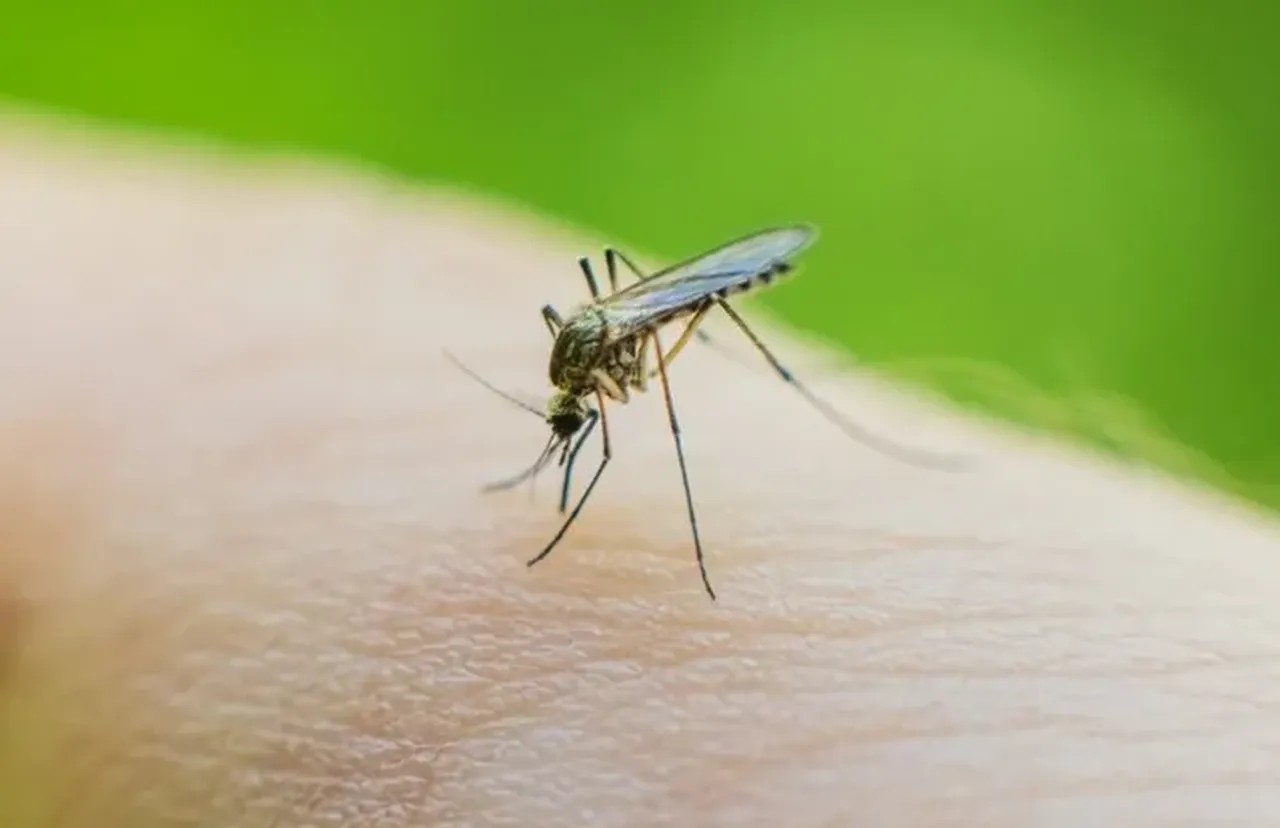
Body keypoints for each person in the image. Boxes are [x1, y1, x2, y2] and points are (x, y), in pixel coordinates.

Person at [2, 116, 1278, 827]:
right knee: (619, 342)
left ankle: (814, 412)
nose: (568, 427)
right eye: (560, 428)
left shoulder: (600, 361)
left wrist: (636, 355)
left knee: (660, 395)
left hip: (680, 292)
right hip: (628, 312)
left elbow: (615, 386)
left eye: (561, 427)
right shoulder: (575, 372)